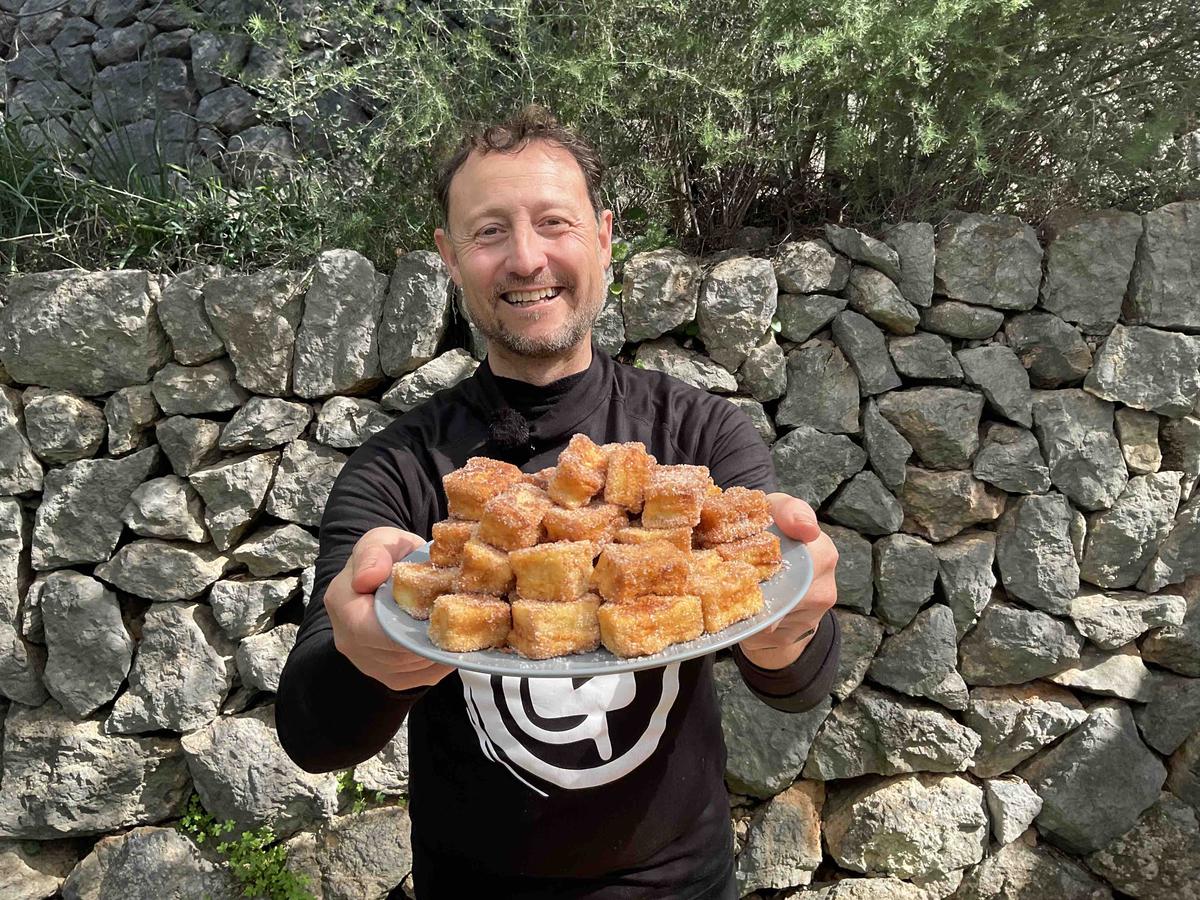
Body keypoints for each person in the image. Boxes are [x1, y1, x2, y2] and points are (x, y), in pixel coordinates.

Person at [275, 105, 841, 899]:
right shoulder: (398, 469)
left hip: (683, 883)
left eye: (554, 223)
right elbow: (311, 734)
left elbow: (796, 682)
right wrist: (371, 659)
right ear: (449, 258)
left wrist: (792, 630)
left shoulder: (699, 437)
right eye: (490, 232)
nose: (527, 257)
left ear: (604, 237)